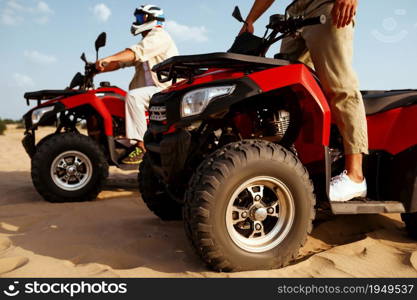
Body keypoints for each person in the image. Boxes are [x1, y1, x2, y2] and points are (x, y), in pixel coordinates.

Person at [240, 0, 368, 202]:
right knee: (284, 93)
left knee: (338, 85)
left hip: (325, 5)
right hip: (295, 14)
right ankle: (287, 169)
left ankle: (355, 175)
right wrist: (250, 20)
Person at [96, 4, 178, 164]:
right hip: (155, 91)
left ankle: (141, 146)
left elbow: (135, 52)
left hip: (165, 89)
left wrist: (108, 58)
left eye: (141, 18)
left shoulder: (159, 36)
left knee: (133, 97)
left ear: (152, 19)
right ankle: (124, 142)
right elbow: (123, 62)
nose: (137, 21)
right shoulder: (147, 41)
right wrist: (99, 67)